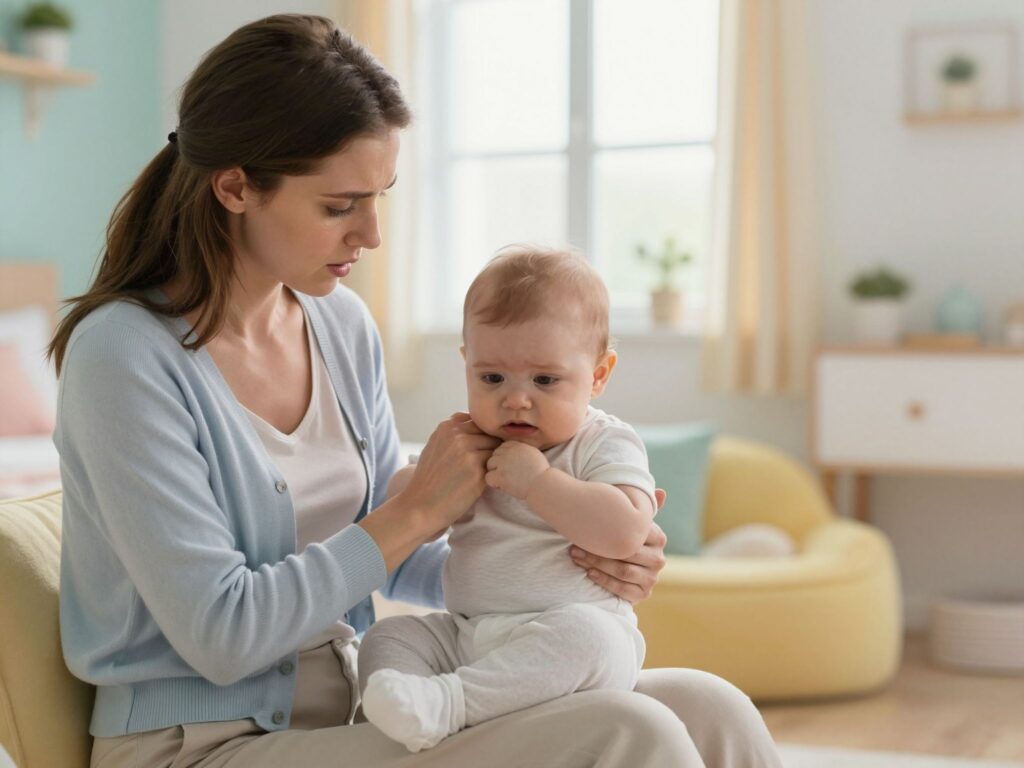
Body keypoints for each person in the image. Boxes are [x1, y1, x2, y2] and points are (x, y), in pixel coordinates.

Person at [48, 13, 783, 768]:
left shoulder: (340, 325)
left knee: (708, 708)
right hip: (198, 742)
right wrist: (420, 508)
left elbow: (384, 557)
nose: (370, 234)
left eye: (380, 198)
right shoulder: (123, 357)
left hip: (358, 709)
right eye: (340, 205)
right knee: (636, 733)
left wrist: (568, 559)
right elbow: (224, 633)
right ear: (236, 187)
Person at [358, 247, 658, 752]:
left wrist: (538, 483)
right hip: (468, 633)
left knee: (594, 639)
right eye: (491, 378)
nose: (515, 398)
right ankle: (410, 712)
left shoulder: (603, 442)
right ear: (467, 365)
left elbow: (627, 531)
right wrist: (427, 484)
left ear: (599, 375)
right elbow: (409, 520)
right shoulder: (470, 444)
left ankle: (453, 705)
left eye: (545, 380)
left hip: (563, 635)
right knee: (391, 637)